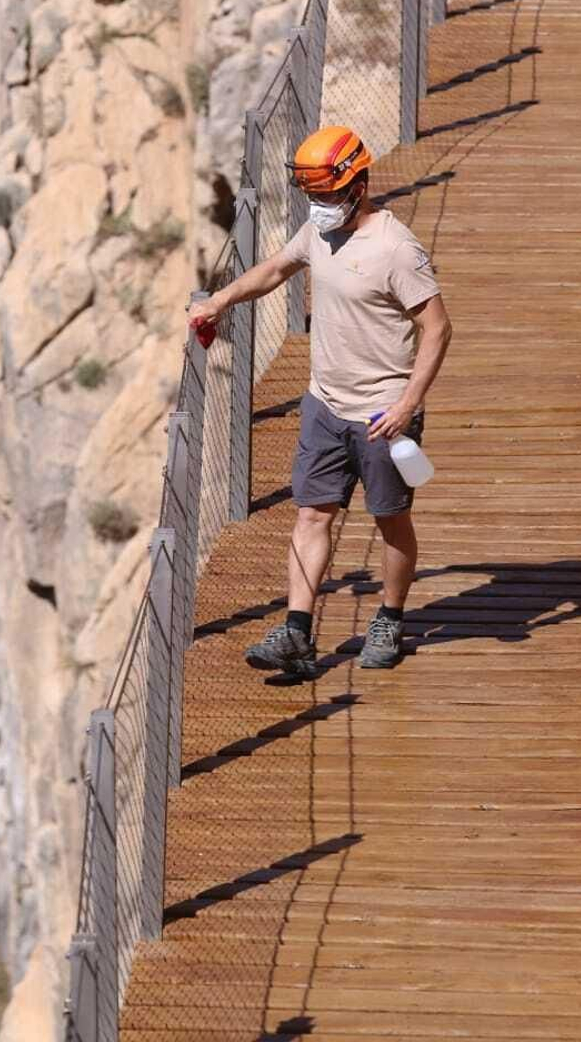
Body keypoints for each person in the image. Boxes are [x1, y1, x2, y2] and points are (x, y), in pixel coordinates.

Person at [188, 125, 454, 677]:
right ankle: (297, 631)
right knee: (312, 514)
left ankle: (390, 617)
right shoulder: (318, 230)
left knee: (391, 520)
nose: (320, 204)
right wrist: (221, 300)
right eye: (313, 195)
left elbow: (437, 328)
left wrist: (407, 405)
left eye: (328, 194)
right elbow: (276, 269)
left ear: (358, 186)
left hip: (382, 414)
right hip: (325, 406)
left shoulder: (396, 249)